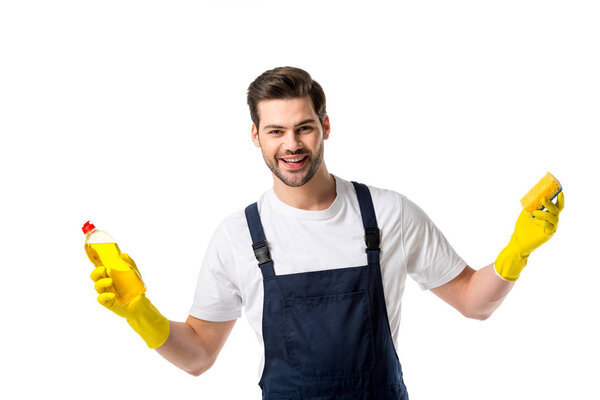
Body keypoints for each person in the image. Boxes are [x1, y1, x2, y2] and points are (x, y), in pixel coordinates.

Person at [89, 66, 565, 399]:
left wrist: (516, 250)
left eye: (304, 128)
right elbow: (197, 356)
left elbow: (472, 301)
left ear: (326, 126)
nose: (291, 145)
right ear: (256, 136)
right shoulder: (237, 236)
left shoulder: (388, 212)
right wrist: (140, 313)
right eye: (276, 131)